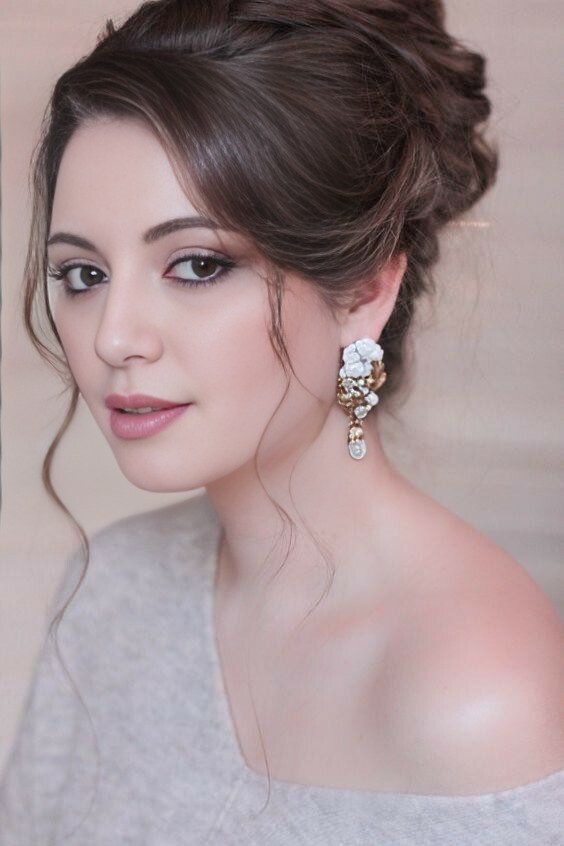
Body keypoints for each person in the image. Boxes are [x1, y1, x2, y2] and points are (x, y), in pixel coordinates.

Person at [1, 1, 562, 843]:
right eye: (82, 274)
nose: (113, 337)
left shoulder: (478, 694)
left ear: (365, 291)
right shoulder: (110, 592)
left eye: (196, 264)